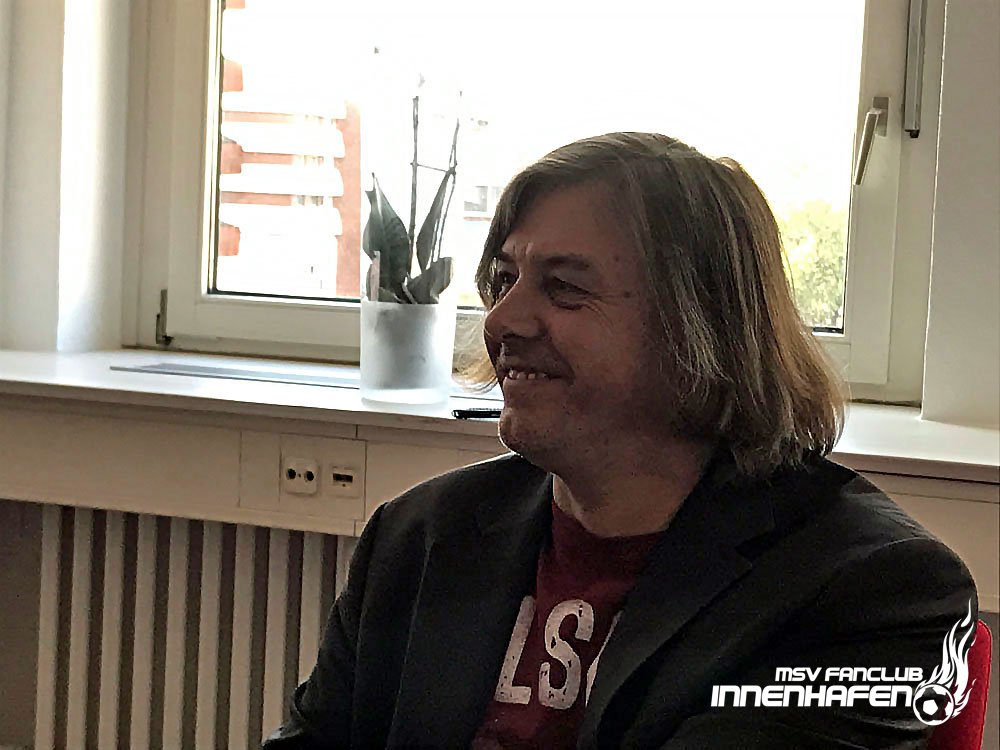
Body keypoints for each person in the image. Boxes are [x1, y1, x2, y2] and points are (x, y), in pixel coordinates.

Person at [264, 133, 977, 748]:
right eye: (504, 279)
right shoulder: (417, 536)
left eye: (564, 288)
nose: (503, 321)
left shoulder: (872, 591)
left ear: (699, 326)